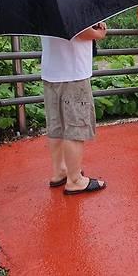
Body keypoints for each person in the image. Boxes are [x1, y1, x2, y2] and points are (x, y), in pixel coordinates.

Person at [42, 22, 107, 195]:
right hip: (72, 72)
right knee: (75, 127)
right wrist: (99, 33)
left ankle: (59, 171)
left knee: (56, 126)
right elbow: (79, 31)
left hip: (50, 72)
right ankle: (75, 179)